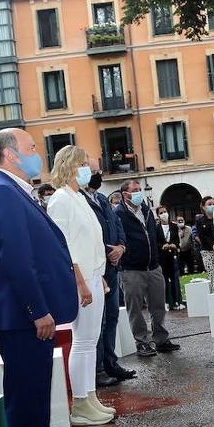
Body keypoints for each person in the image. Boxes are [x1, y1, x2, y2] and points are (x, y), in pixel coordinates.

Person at [0, 127, 81, 427]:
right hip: (21, 316)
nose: (39, 153)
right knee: (25, 396)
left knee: (36, 391)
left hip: (26, 314)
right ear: (11, 154)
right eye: (31, 147)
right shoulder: (1, 194)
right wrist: (37, 310)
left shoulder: (14, 191)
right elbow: (16, 261)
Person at [45, 146, 115, 427]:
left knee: (90, 340)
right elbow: (65, 247)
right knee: (83, 342)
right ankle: (81, 405)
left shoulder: (79, 197)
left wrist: (99, 275)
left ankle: (91, 397)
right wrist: (82, 283)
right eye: (84, 163)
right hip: (79, 280)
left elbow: (91, 241)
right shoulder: (60, 200)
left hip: (93, 275)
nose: (89, 168)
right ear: (70, 166)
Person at [80, 162, 135, 385]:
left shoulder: (101, 199)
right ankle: (98, 369)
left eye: (98, 171)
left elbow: (117, 224)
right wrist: (107, 252)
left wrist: (121, 247)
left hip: (112, 266)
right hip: (96, 269)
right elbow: (84, 237)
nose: (98, 175)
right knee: (98, 322)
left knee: (112, 317)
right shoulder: (78, 200)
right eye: (93, 171)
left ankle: (111, 363)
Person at [117, 179, 180, 357]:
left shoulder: (145, 210)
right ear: (125, 194)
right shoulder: (119, 213)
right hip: (131, 268)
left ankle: (160, 338)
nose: (139, 193)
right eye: (135, 190)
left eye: (139, 190)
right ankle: (142, 342)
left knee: (158, 305)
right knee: (135, 308)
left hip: (153, 266)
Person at [156, 204, 183, 310]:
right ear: (158, 215)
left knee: (175, 279)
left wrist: (174, 245)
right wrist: (162, 246)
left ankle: (177, 301)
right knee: (164, 280)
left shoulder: (174, 226)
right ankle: (167, 301)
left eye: (165, 212)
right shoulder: (156, 228)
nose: (164, 214)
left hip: (173, 255)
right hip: (162, 257)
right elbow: (156, 242)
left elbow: (176, 239)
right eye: (161, 213)